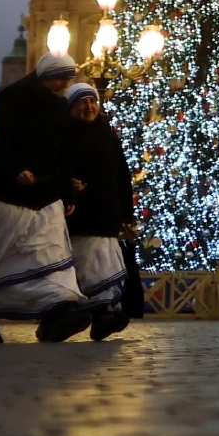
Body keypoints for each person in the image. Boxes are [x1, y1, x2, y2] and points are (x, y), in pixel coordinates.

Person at [0, 52, 90, 344]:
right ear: (47, 75)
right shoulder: (12, 98)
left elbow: (64, 152)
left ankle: (55, 316)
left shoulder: (60, 106)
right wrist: (16, 168)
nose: (65, 83)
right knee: (3, 260)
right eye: (62, 77)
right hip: (9, 197)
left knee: (49, 257)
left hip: (46, 198)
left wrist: (67, 192)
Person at [65, 83, 134, 341]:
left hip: (106, 216)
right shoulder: (64, 134)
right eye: (82, 103)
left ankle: (104, 314)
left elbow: (121, 175)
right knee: (85, 267)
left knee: (103, 266)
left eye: (92, 102)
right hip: (79, 217)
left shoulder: (107, 134)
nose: (88, 107)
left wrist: (127, 213)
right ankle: (74, 314)